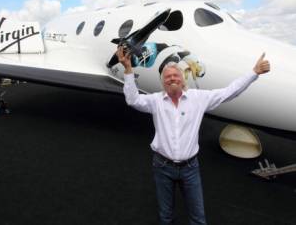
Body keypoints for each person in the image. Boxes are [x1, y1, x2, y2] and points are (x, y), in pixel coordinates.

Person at [116, 46, 270, 225]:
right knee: (165, 216)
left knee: (198, 218)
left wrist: (254, 73)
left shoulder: (199, 98)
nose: (172, 78)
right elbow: (133, 100)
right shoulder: (155, 100)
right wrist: (128, 69)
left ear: (183, 80)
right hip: (162, 167)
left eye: (176, 75)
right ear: (163, 82)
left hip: (190, 168)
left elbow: (229, 92)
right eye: (167, 77)